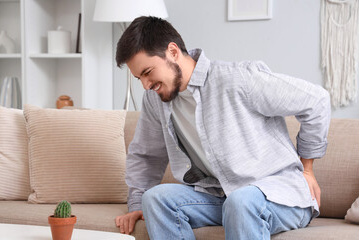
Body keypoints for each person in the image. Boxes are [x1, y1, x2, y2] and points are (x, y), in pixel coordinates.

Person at [114, 16, 331, 240]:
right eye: (139, 77)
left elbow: (317, 100)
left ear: (173, 52)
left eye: (148, 72)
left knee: (241, 202)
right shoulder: (155, 100)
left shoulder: (238, 79)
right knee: (156, 199)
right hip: (220, 197)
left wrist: (307, 169)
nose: (146, 85)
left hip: (277, 195)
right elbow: (146, 155)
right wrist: (137, 204)